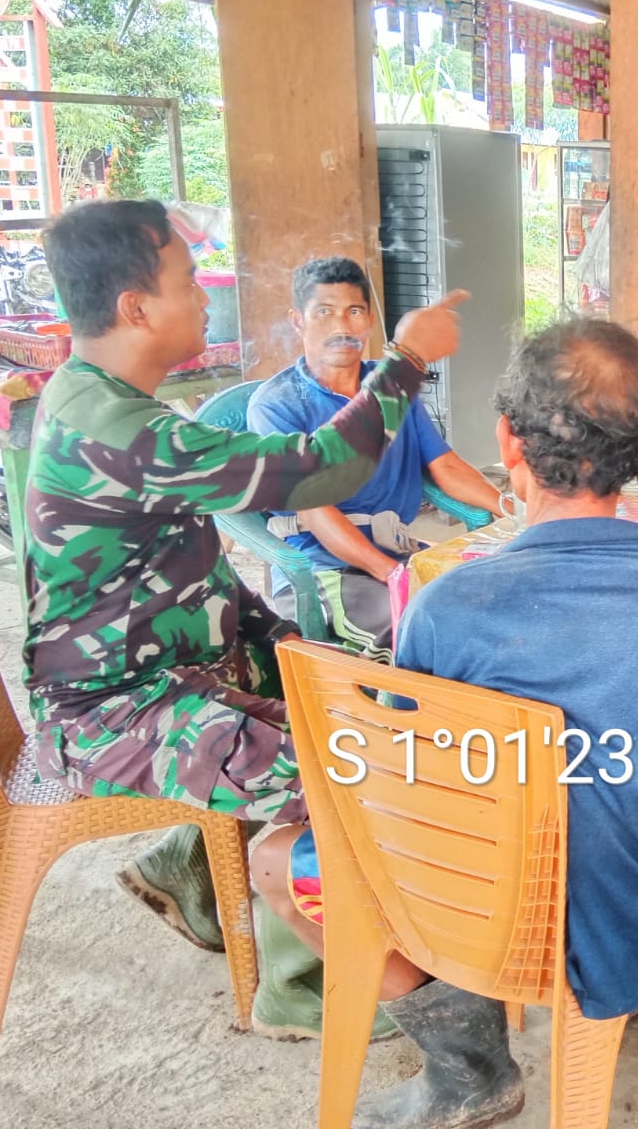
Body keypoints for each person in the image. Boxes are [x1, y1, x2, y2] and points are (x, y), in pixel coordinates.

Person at [252, 318, 638, 1128]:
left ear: (509, 440)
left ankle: (466, 1064)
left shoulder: (445, 607)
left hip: (483, 921)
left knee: (275, 857)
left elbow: (413, 802)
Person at [23, 198, 463, 1037]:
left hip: (180, 670)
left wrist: (286, 642)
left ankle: (186, 867)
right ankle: (306, 981)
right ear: (135, 308)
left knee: (371, 700)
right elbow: (326, 468)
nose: (205, 297)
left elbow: (199, 573)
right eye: (189, 281)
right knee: (357, 771)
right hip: (116, 711)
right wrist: (407, 358)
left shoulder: (102, 399)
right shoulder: (124, 433)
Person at [247, 257, 503, 661]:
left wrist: (514, 508)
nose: (341, 326)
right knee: (423, 633)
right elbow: (316, 511)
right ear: (298, 322)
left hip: (397, 552)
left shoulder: (393, 388)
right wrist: (392, 575)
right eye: (324, 312)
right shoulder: (278, 405)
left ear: (369, 321)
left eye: (354, 312)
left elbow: (446, 465)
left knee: (492, 605)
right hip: (325, 572)